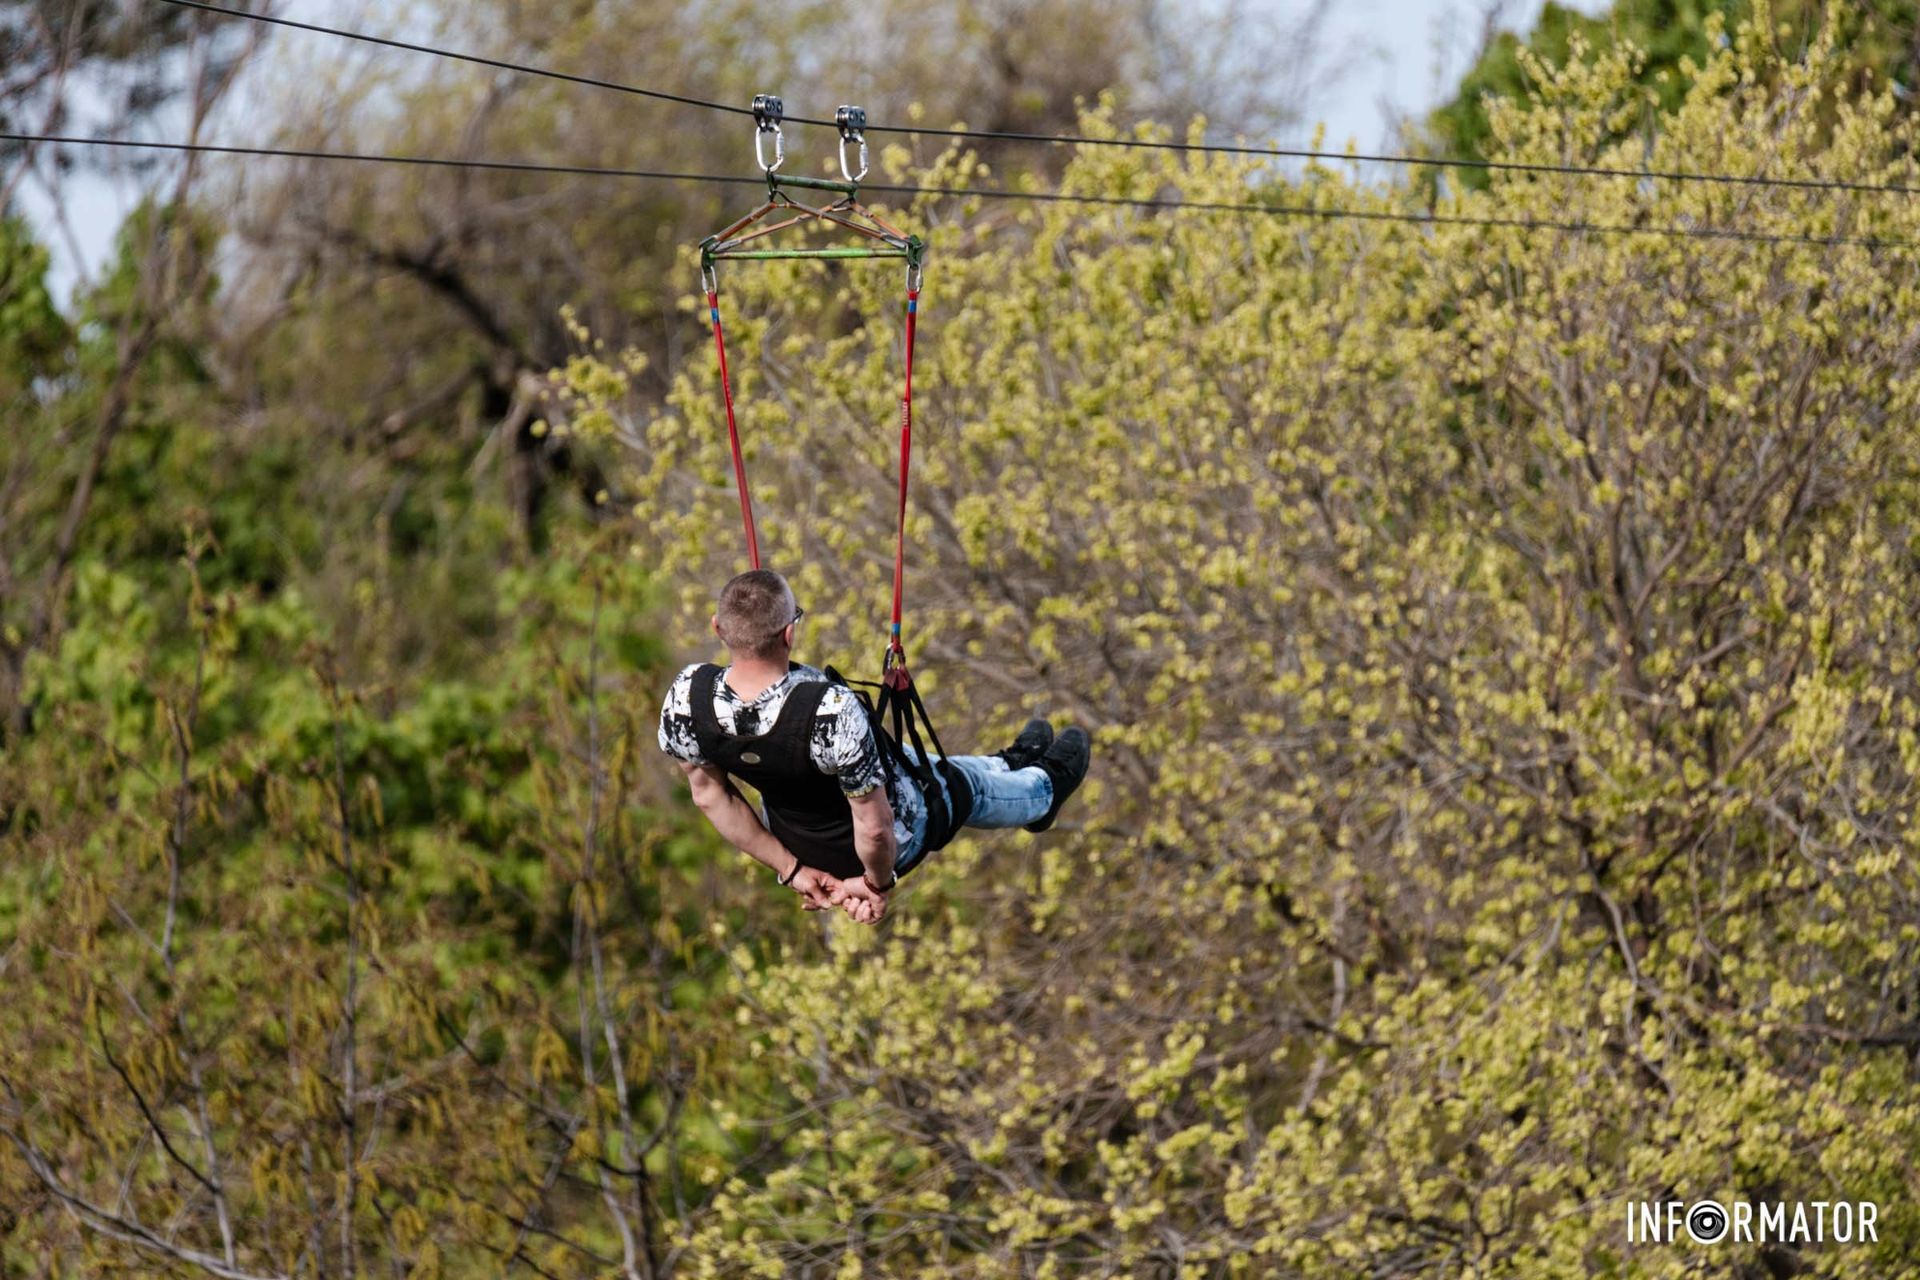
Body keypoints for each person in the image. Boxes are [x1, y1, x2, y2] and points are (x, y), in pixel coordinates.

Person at [658, 569, 1090, 923]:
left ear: (718, 629)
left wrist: (790, 869)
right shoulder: (829, 711)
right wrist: (876, 883)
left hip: (795, 837)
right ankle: (1044, 790)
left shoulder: (686, 698)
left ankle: (1008, 763)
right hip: (875, 842)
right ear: (790, 633)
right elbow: (877, 829)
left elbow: (710, 796)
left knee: (910, 763)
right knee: (959, 789)